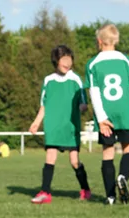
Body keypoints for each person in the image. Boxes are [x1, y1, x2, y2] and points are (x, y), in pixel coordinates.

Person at [85, 24, 129, 205]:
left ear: (99, 41)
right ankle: (123, 176)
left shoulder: (93, 63)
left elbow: (94, 93)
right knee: (128, 148)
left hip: (106, 113)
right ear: (115, 40)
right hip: (126, 110)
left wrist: (101, 118)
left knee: (108, 152)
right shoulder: (127, 61)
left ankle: (110, 197)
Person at [29, 45, 91, 204]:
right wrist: (36, 122)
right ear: (56, 61)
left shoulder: (76, 79)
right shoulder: (48, 80)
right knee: (50, 157)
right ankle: (45, 192)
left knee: (74, 161)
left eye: (69, 60)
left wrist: (82, 106)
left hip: (70, 126)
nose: (67, 63)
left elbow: (83, 100)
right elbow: (44, 104)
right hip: (53, 126)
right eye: (64, 60)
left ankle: (85, 189)